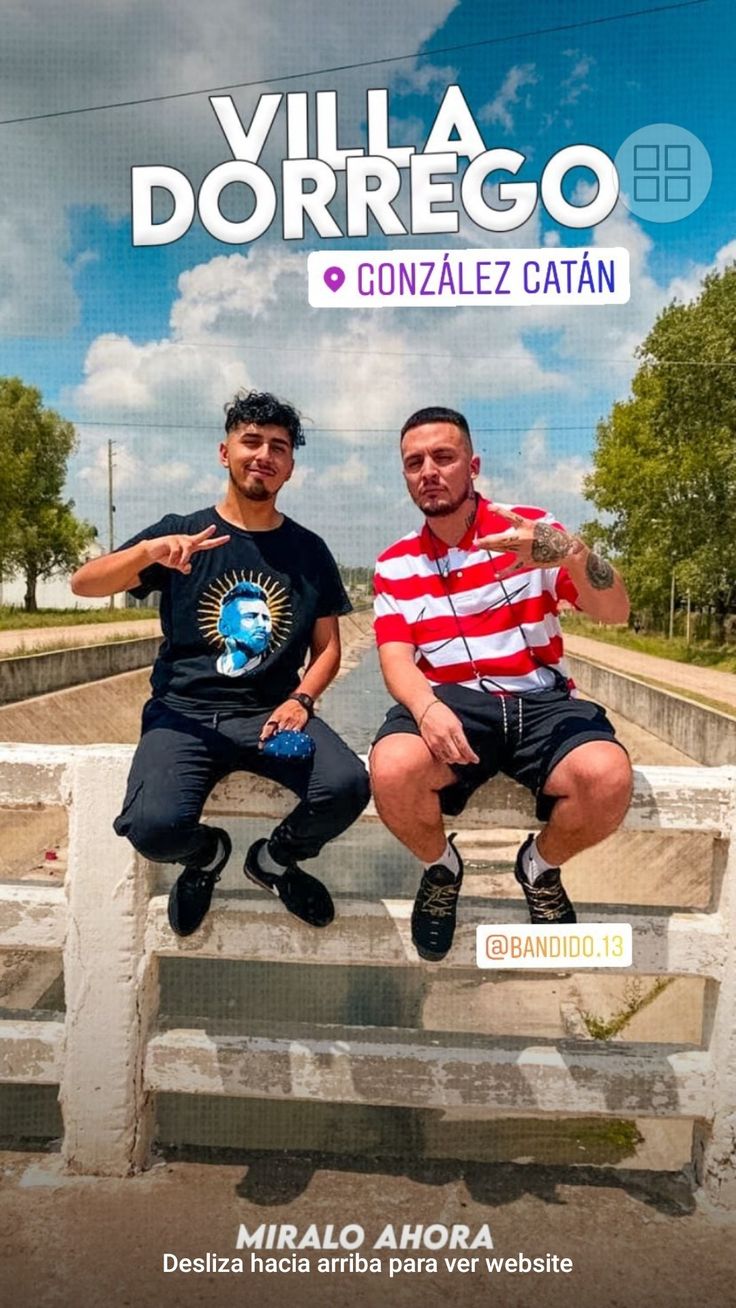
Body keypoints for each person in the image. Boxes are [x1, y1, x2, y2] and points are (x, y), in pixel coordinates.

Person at [71, 389, 370, 937]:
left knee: (346, 784)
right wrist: (147, 553)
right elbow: (83, 583)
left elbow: (328, 647)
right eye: (250, 441)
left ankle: (275, 862)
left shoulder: (309, 551)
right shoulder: (182, 533)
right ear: (224, 451)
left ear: (290, 467)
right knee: (153, 827)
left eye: (278, 447)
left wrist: (301, 699)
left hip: (270, 718)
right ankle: (207, 856)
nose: (264, 455)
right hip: (182, 717)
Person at [370, 406, 633, 963]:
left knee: (608, 779)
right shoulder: (395, 564)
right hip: (454, 701)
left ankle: (538, 867)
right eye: (414, 462)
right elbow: (396, 660)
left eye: (444, 457)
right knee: (391, 769)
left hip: (541, 700)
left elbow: (616, 611)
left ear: (473, 465)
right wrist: (423, 707)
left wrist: (571, 552)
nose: (429, 471)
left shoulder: (531, 530)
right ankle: (441, 869)